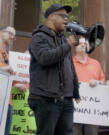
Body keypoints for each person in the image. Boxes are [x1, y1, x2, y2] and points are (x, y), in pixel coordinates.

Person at [28, 4, 80, 135]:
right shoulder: (38, 37)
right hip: (46, 99)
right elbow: (45, 58)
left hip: (66, 99)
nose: (66, 19)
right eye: (63, 16)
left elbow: (70, 66)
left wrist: (75, 90)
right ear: (51, 17)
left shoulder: (63, 39)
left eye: (67, 16)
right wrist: (68, 45)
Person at [73, 36, 105, 135]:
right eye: (80, 43)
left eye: (85, 44)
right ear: (75, 48)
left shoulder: (96, 64)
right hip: (73, 108)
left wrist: (97, 82)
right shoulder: (68, 62)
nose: (83, 45)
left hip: (92, 110)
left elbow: (103, 82)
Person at [0, 26, 27, 135]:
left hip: (8, 102)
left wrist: (17, 85)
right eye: (10, 33)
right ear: (1, 32)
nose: (12, 37)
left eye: (14, 36)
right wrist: (2, 69)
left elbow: (8, 80)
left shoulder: (8, 56)